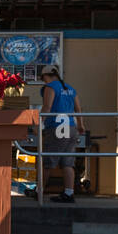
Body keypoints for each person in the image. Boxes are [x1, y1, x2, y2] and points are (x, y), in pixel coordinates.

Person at [40, 66, 85, 203]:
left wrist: (38, 123)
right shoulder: (70, 88)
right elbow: (78, 109)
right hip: (71, 127)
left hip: (57, 127)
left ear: (45, 77)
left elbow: (47, 107)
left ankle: (39, 191)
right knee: (68, 163)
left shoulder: (50, 87)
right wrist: (81, 125)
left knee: (48, 161)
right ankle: (69, 193)